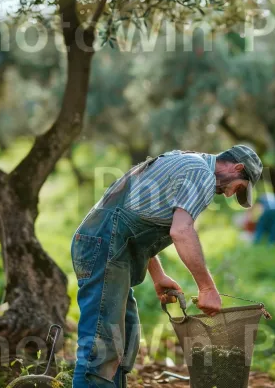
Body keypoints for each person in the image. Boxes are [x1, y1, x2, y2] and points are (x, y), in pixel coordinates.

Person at [71, 145, 263, 388]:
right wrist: (207, 288)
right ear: (238, 168)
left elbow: (138, 213)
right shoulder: (200, 173)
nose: (228, 195)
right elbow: (181, 230)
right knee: (102, 344)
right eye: (238, 187)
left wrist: (158, 274)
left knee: (124, 339)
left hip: (109, 250)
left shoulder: (185, 161)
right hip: (103, 249)